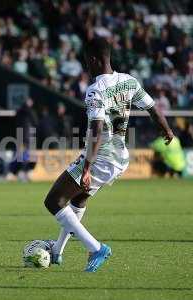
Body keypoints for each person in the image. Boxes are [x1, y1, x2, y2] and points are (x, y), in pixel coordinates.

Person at [43, 37, 174, 272]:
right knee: (78, 200)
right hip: (119, 157)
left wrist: (86, 167)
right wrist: (166, 129)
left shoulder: (95, 90)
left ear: (93, 60)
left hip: (100, 157)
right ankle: (56, 252)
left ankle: (95, 248)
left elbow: (96, 128)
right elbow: (153, 108)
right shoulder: (129, 81)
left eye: (86, 61)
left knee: (54, 201)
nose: (86, 65)